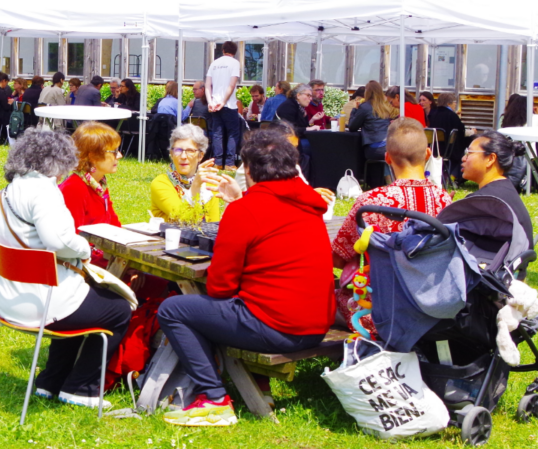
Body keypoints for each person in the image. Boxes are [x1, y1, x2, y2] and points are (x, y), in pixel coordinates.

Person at [155, 129, 335, 426]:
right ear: (293, 167)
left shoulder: (246, 209)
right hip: (316, 324)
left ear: (248, 170)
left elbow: (219, 286)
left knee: (174, 309)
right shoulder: (310, 206)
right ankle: (255, 387)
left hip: (277, 326)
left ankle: (213, 398)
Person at [0, 127, 132, 409]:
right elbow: (57, 240)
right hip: (42, 304)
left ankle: (50, 382)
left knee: (82, 303)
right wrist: (84, 249)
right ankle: (81, 388)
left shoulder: (0, 195)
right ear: (58, 161)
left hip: (8, 299)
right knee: (119, 309)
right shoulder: (44, 192)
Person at [331, 118, 453, 336]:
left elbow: (338, 257)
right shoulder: (445, 201)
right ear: (427, 154)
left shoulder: (372, 202)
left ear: (387, 158)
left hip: (378, 312)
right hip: (432, 308)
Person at [59, 123, 123, 266]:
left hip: (108, 260)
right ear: (93, 156)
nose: (119, 156)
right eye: (113, 151)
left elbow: (114, 226)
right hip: (87, 269)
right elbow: (72, 243)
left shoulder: (99, 185)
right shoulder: (74, 188)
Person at [462, 131, 534, 246]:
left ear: (490, 159)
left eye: (469, 153)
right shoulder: (506, 189)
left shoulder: (483, 200)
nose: (463, 158)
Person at [150, 123, 221, 223]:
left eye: (190, 151)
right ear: (171, 154)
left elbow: (213, 224)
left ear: (200, 156)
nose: (183, 156)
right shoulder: (160, 183)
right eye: (178, 150)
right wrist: (196, 185)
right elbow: (183, 218)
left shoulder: (209, 184)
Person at [347, 80, 394, 187]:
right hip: (388, 147)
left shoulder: (365, 107)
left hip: (374, 150)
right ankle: (387, 183)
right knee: (382, 160)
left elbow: (352, 127)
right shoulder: (386, 107)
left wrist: (355, 109)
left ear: (367, 92)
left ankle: (368, 183)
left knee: (360, 154)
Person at [204, 41, 243, 170]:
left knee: (217, 133)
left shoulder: (214, 63)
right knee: (233, 133)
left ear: (223, 50)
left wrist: (210, 102)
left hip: (214, 103)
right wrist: (224, 101)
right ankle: (230, 163)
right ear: (235, 52)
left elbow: (208, 85)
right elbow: (231, 85)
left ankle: (218, 162)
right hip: (229, 104)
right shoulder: (235, 63)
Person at [427, 91, 467, 180]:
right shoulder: (452, 115)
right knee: (464, 147)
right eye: (455, 103)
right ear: (449, 103)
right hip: (447, 149)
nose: (455, 105)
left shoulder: (432, 114)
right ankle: (454, 175)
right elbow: (461, 131)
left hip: (433, 147)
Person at [0, 71, 14, 135]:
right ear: (4, 81)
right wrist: (10, 103)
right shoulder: (1, 92)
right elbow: (6, 107)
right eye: (6, 82)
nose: (6, 85)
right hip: (1, 117)